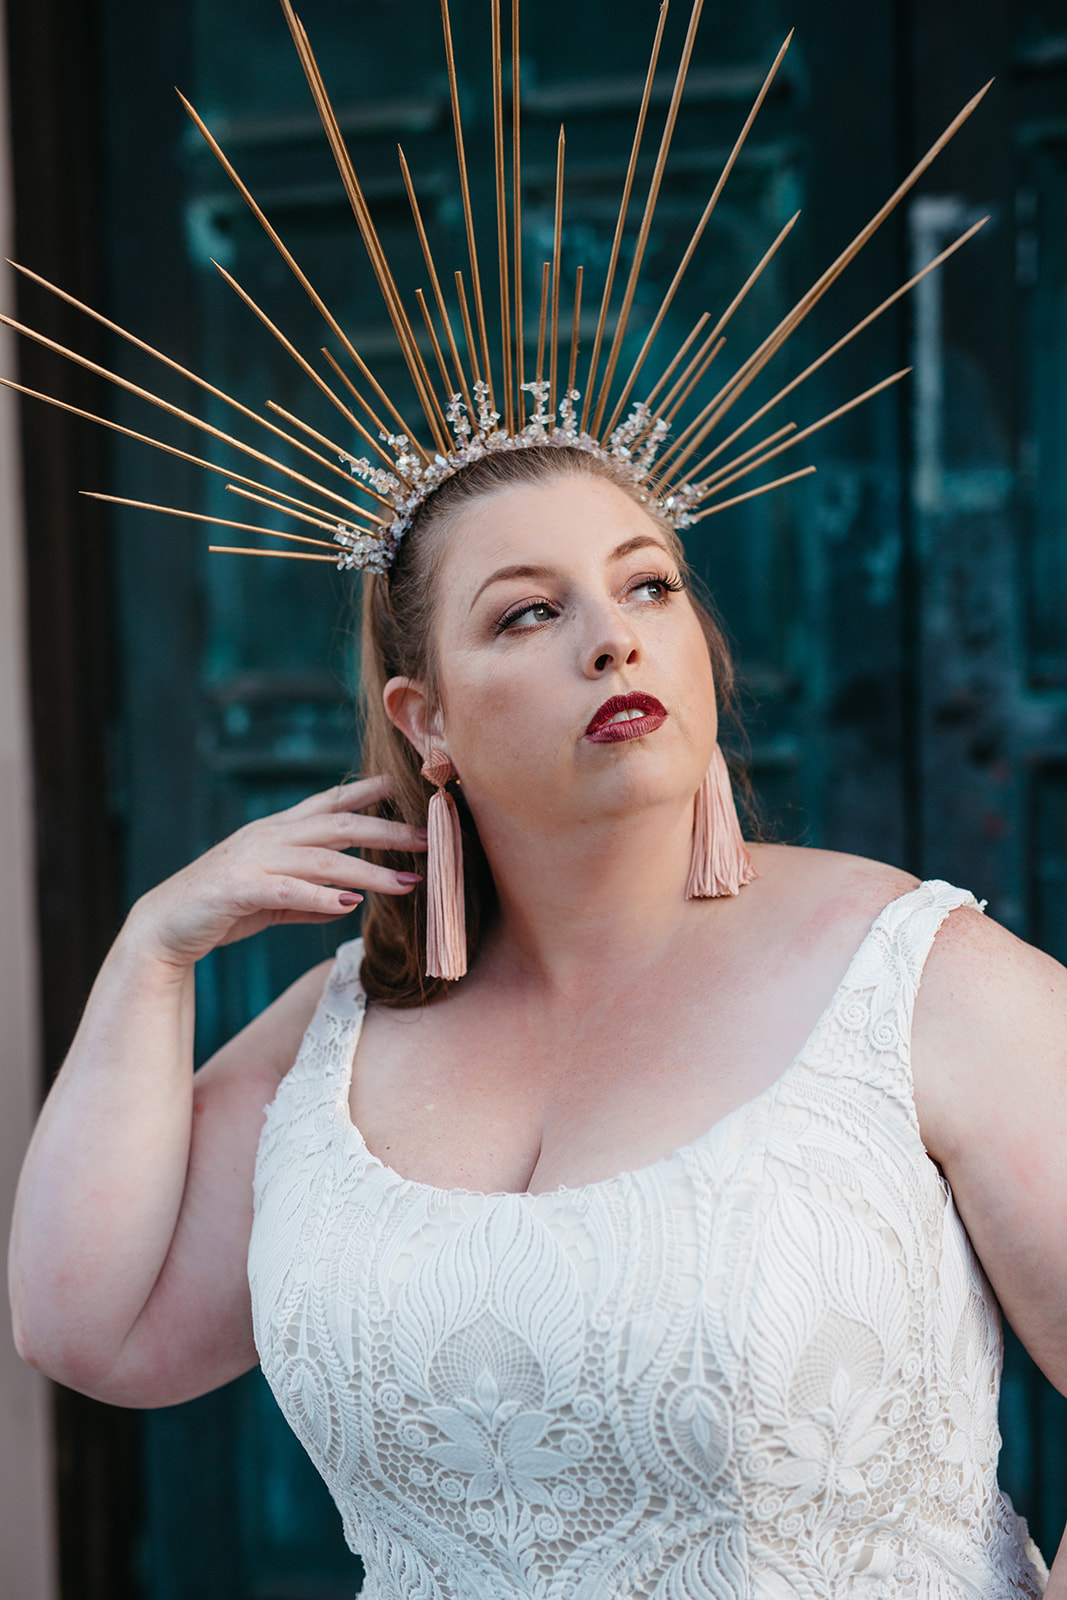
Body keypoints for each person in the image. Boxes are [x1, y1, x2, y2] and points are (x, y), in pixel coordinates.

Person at [9, 439, 1066, 1596]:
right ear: (428, 723)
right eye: (524, 614)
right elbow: (91, 1331)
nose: (611, 637)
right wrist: (150, 950)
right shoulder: (337, 1035)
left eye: (647, 585)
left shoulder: (916, 977)